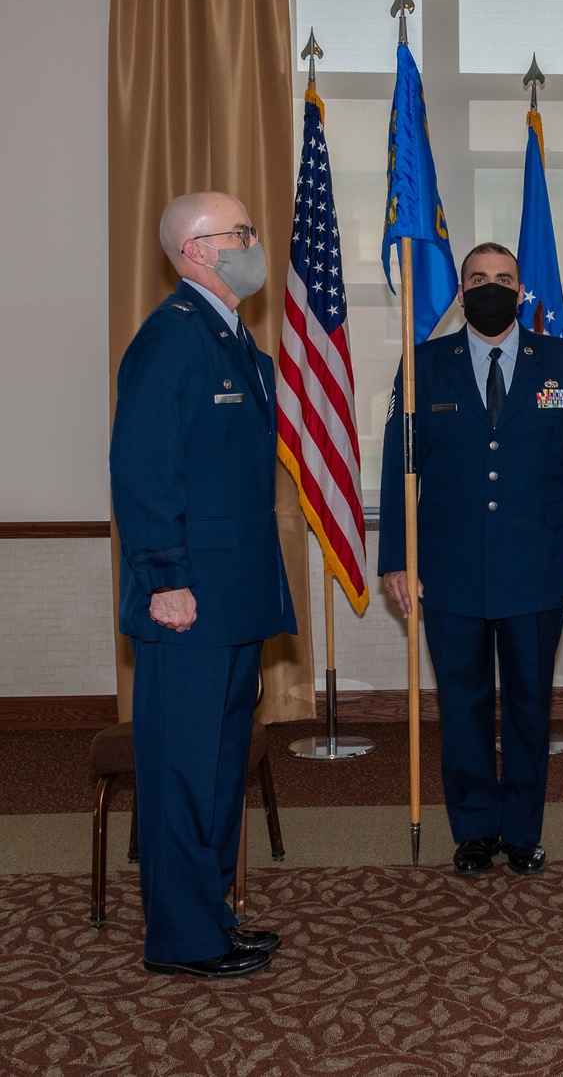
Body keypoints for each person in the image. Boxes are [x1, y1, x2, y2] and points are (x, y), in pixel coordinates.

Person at [379, 243, 563, 877]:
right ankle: (475, 831)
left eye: (502, 279)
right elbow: (397, 473)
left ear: (521, 291)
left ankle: (522, 830)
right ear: (460, 292)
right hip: (449, 567)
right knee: (463, 704)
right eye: (477, 279)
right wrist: (397, 558)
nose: (490, 288)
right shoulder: (424, 365)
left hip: (538, 563)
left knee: (530, 703)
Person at [110, 192, 296, 979]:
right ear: (196, 251)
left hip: (234, 598)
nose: (255, 243)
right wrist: (164, 579)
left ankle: (211, 913)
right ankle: (182, 937)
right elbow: (143, 471)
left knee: (220, 768)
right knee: (183, 769)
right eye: (240, 233)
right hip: (186, 601)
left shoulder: (232, 340)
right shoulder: (171, 341)